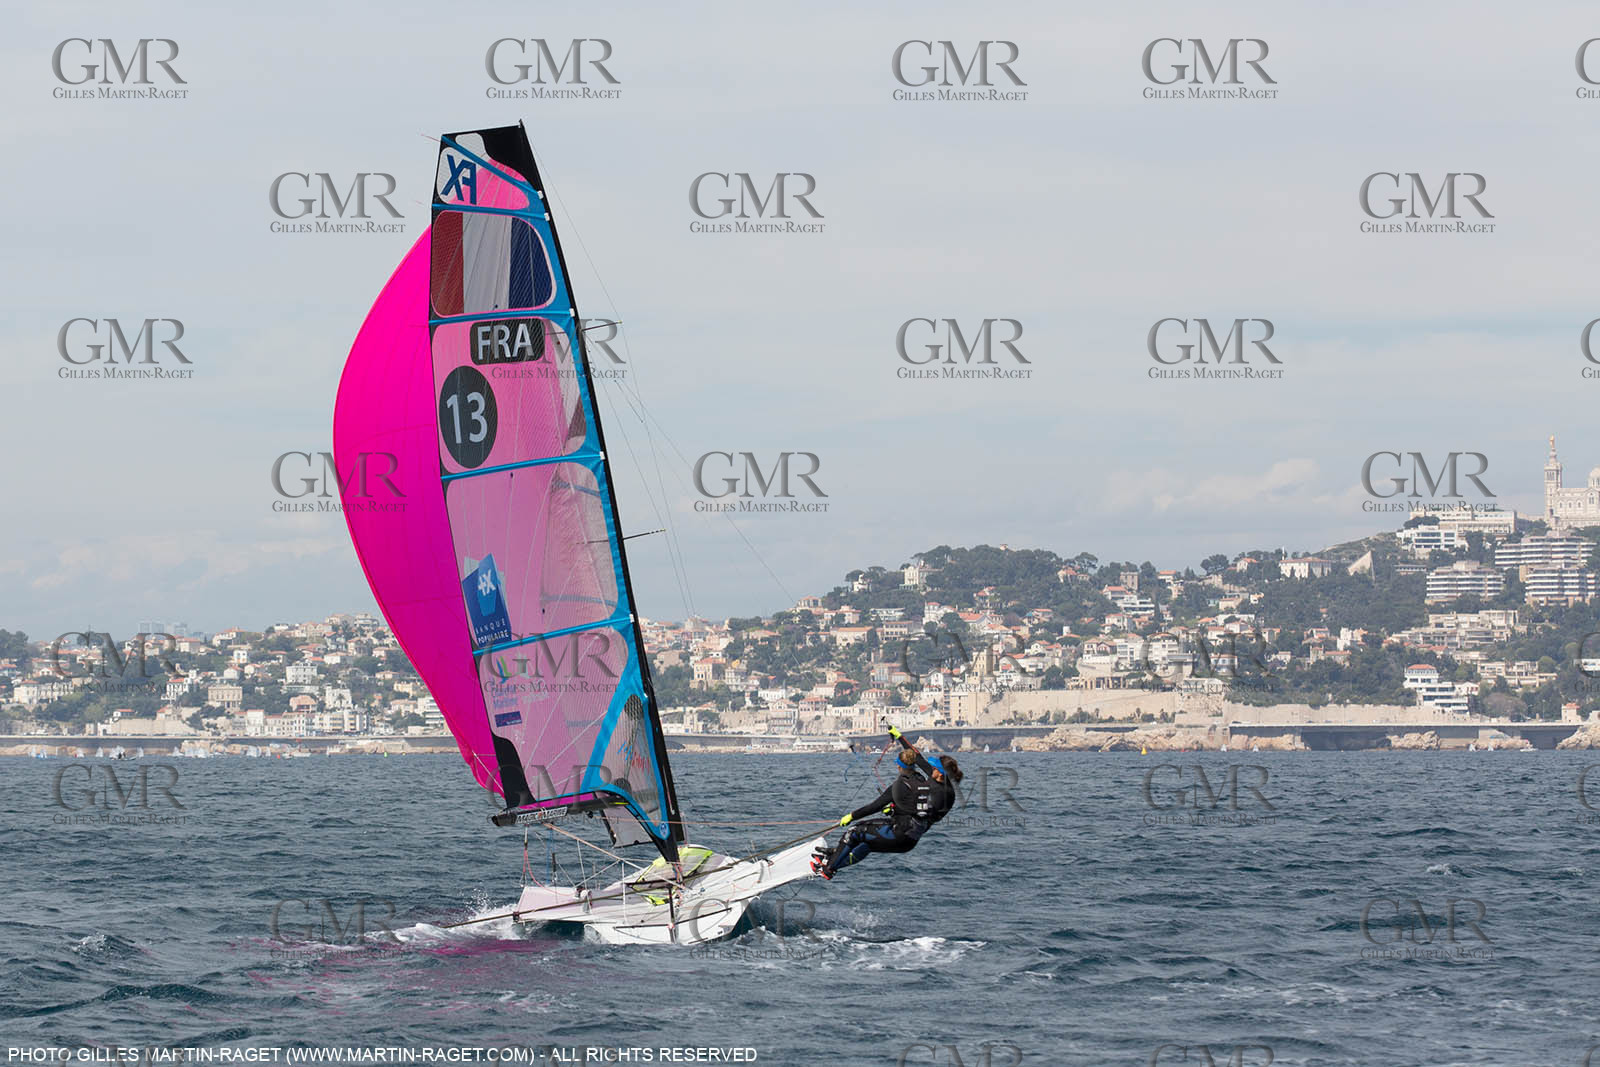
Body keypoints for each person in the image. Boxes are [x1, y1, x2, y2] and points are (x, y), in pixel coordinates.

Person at [811, 725, 963, 880]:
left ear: (940, 773)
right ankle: (834, 857)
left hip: (903, 834)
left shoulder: (943, 794)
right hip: (908, 836)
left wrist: (853, 815)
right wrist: (899, 737)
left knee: (854, 832)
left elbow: (923, 815)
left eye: (934, 767)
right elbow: (917, 757)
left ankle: (828, 869)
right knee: (866, 844)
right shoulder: (935, 779)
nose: (930, 768)